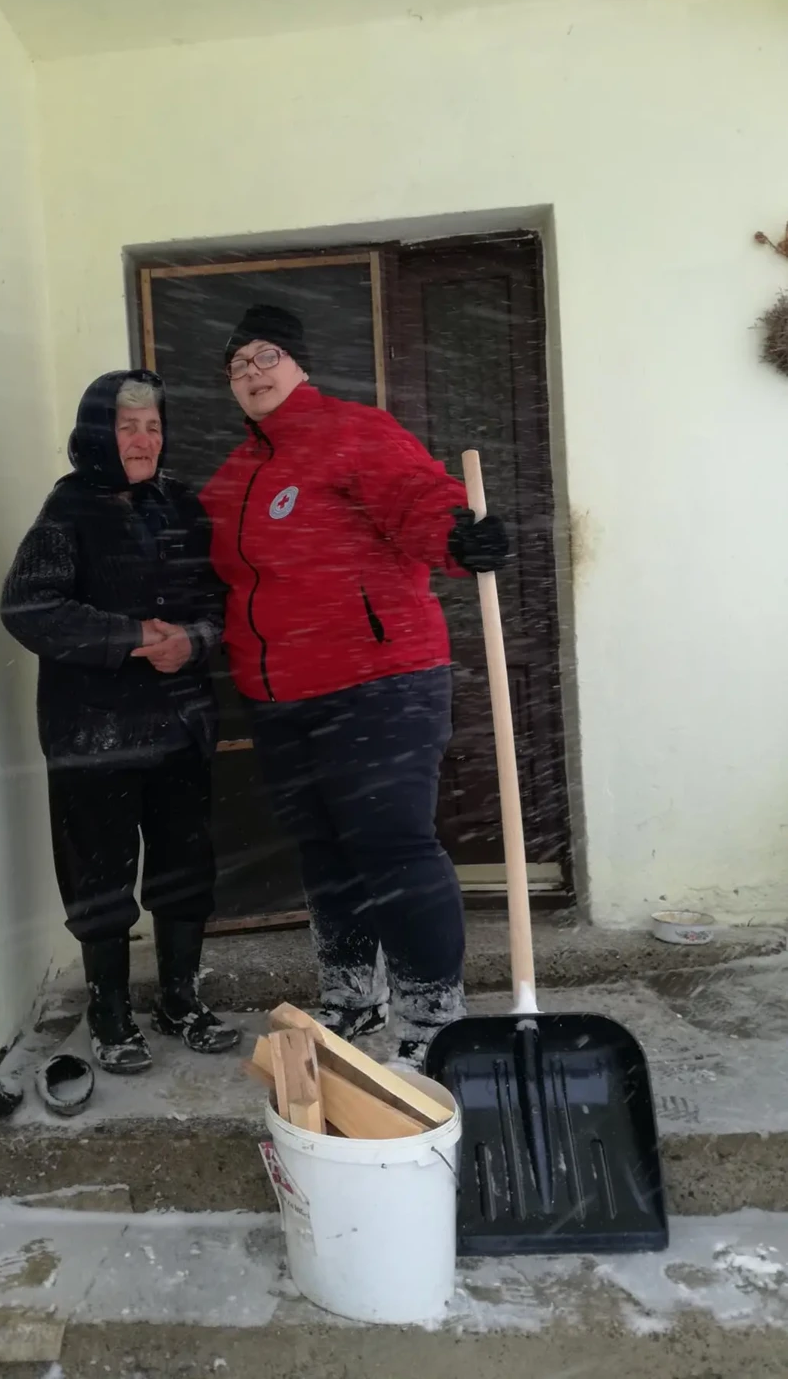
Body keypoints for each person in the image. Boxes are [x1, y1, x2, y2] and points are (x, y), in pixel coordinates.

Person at [200, 305, 509, 1069]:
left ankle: (433, 1018)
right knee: (325, 853)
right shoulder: (232, 478)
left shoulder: (352, 431)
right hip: (280, 698)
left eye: (265, 356)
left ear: (298, 363)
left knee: (391, 846)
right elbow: (208, 576)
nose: (251, 373)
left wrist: (455, 536)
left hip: (380, 683)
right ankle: (353, 997)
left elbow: (416, 498)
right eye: (237, 366)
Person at [1, 369, 240, 1074]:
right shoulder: (68, 510)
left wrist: (193, 640)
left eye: (153, 427)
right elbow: (29, 609)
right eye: (127, 426)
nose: (143, 440)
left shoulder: (182, 506)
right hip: (93, 735)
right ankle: (108, 1012)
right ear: (98, 433)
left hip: (179, 727)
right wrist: (131, 636)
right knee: (100, 880)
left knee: (185, 870)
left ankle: (179, 999)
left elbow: (217, 603)